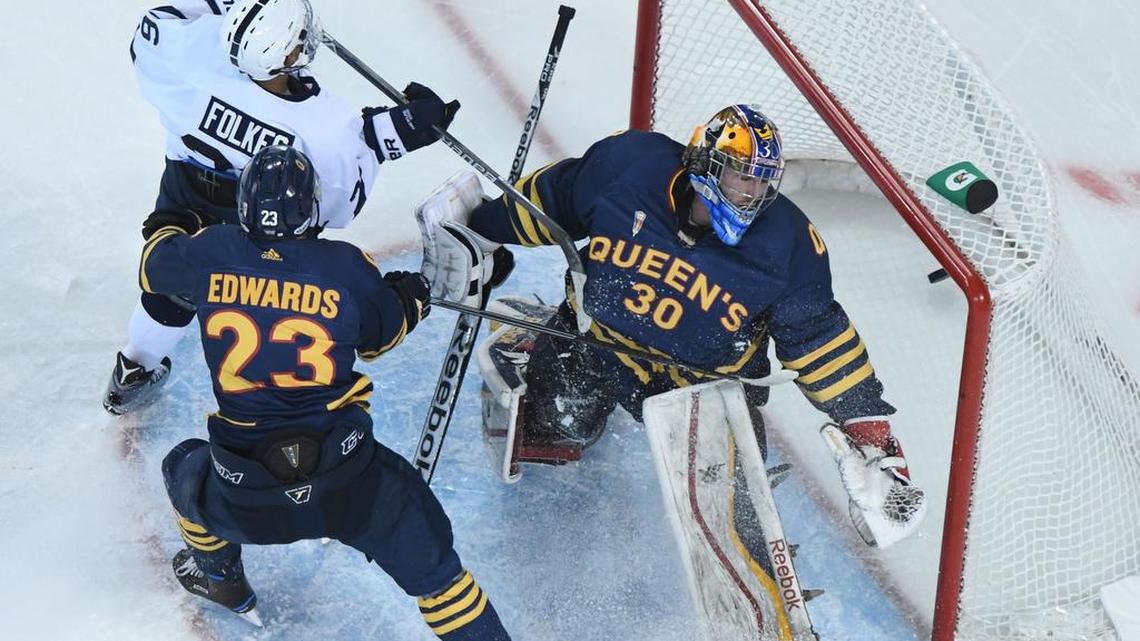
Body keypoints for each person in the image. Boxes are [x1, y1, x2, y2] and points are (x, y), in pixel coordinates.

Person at [417, 104, 925, 545]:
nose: (752, 193)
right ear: (705, 163)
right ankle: (536, 347)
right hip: (597, 345)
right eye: (741, 175)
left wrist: (873, 437)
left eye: (762, 180)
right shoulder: (629, 166)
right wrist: (481, 231)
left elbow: (821, 341)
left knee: (736, 517)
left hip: (708, 391)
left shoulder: (788, 243)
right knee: (557, 428)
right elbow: (553, 202)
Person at [145, 145, 511, 639]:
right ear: (310, 209)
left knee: (183, 468)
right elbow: (382, 335)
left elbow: (153, 266)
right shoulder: (344, 267)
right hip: (351, 481)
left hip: (244, 492)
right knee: (442, 582)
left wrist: (172, 218)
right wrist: (412, 293)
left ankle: (220, 580)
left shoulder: (209, 251)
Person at [105, 0, 459, 415]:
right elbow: (338, 206)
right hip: (264, 211)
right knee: (270, 289)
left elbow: (159, 24)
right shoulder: (327, 128)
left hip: (187, 188)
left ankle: (135, 367)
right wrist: (398, 130)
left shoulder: (187, 48)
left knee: (174, 285)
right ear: (289, 56)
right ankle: (274, 364)